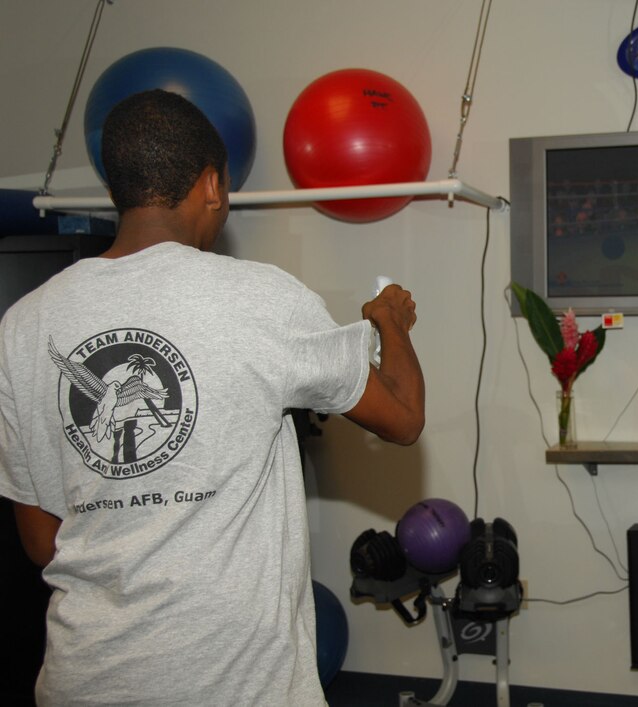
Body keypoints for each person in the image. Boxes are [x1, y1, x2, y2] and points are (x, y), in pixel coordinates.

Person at [0, 89, 425, 705]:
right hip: (233, 684)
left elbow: (43, 542)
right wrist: (390, 320)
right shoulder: (259, 297)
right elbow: (405, 418)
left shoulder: (24, 324)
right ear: (210, 184)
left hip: (84, 680)